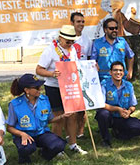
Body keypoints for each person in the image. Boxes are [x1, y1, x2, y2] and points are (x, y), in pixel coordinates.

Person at [36, 25, 88, 155]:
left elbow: (75, 65)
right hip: (53, 87)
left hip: (70, 86)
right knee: (58, 117)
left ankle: (73, 144)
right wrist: (52, 73)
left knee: (72, 116)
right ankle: (57, 147)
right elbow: (38, 69)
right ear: (60, 38)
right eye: (68, 41)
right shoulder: (50, 50)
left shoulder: (72, 50)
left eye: (72, 41)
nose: (70, 44)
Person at [6, 74, 70, 163]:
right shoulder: (15, 104)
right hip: (24, 135)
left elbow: (49, 120)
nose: (40, 89)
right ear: (26, 90)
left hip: (41, 133)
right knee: (27, 148)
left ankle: (44, 154)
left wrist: (62, 116)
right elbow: (9, 127)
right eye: (36, 87)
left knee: (59, 145)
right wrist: (22, 134)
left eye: (39, 86)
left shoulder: (44, 100)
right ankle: (24, 158)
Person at [96, 61, 140, 148]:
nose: (118, 72)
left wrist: (129, 111)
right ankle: (106, 139)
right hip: (109, 116)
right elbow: (101, 104)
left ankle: (118, 133)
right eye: (115, 70)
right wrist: (117, 109)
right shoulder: (104, 84)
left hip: (122, 117)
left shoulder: (128, 85)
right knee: (102, 114)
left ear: (123, 72)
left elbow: (133, 105)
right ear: (110, 72)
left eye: (120, 70)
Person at [91, 18, 135, 82]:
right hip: (104, 79)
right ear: (105, 30)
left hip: (121, 78)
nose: (114, 30)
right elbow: (93, 61)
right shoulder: (97, 43)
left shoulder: (122, 42)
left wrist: (130, 71)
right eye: (111, 28)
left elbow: (131, 56)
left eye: (116, 28)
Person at [71, 12, 89, 140]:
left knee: (82, 107)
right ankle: (69, 132)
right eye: (78, 21)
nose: (81, 24)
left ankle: (80, 132)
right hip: (69, 76)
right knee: (70, 107)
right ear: (72, 23)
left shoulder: (87, 40)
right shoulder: (65, 38)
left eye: (82, 21)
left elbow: (88, 58)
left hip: (83, 76)